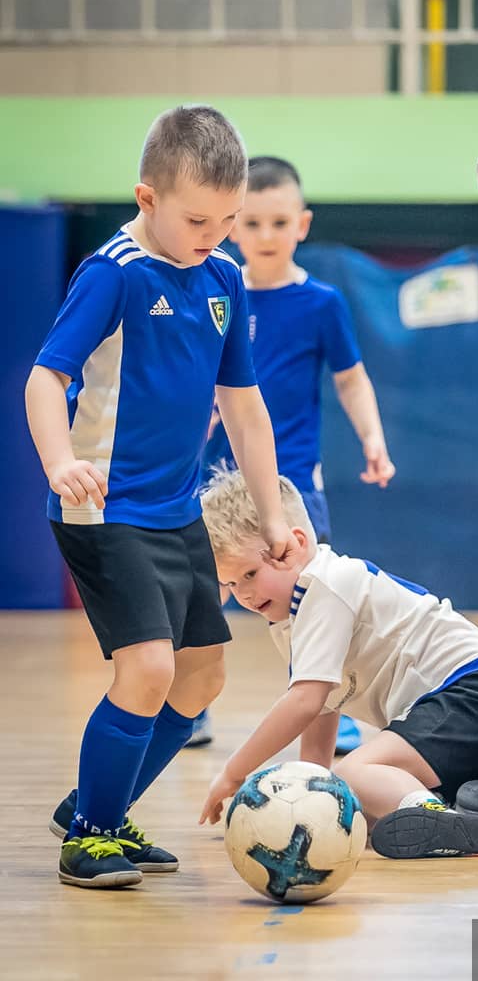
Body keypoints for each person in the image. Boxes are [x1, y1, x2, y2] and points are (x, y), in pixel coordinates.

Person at [26, 105, 299, 889]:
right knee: (147, 669)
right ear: (147, 199)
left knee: (203, 677)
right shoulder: (113, 272)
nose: (216, 234)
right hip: (103, 510)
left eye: (228, 219)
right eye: (197, 220)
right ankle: (89, 837)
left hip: (178, 513)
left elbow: (243, 406)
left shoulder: (224, 278)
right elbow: (46, 377)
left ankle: (100, 808)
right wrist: (58, 462)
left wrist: (272, 515)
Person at [197, 469, 478, 860]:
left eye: (250, 574)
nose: (244, 595)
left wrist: (234, 773)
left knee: (354, 773)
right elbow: (323, 710)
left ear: (295, 544)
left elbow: (304, 701)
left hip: (476, 698)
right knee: (354, 804)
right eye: (231, 584)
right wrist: (311, 798)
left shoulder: (324, 584)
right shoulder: (293, 614)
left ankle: (436, 815)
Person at [186, 156, 395, 753]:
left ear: (301, 225)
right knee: (200, 594)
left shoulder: (322, 302)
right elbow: (197, 378)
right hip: (217, 481)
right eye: (252, 223)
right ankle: (190, 706)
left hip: (293, 478)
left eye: (279, 223)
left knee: (310, 596)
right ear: (232, 226)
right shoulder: (216, 290)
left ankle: (327, 704)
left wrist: (373, 438)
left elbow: (351, 379)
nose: (266, 235)